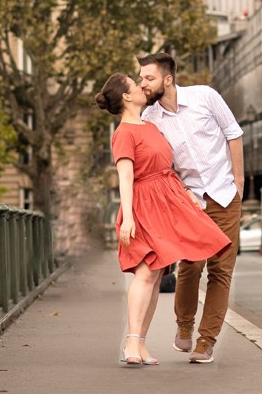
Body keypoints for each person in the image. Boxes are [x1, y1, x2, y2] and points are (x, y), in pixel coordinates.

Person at [95, 72, 230, 368]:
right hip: (143, 206)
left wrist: (185, 196)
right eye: (136, 84)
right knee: (145, 274)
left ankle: (140, 344)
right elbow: (125, 178)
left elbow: (166, 167)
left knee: (156, 278)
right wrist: (128, 217)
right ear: (127, 97)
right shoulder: (124, 133)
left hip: (165, 203)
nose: (143, 86)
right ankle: (131, 341)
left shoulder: (150, 126)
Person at [139, 52, 244, 364]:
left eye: (149, 78)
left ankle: (206, 341)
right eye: (142, 78)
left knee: (221, 271)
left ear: (168, 79)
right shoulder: (150, 119)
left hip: (225, 196)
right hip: (190, 201)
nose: (143, 83)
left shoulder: (205, 97)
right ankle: (184, 326)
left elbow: (233, 133)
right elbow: (160, 164)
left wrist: (238, 181)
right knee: (190, 267)